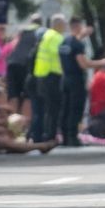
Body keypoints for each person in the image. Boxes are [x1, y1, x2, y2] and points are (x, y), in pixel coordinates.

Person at [60, 18, 105, 146]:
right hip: (76, 80)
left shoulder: (64, 42)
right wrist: (103, 62)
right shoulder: (78, 45)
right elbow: (83, 64)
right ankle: (73, 137)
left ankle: (66, 137)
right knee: (76, 109)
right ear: (78, 27)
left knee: (66, 109)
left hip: (65, 78)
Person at [29, 14, 67, 143]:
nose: (65, 26)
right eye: (64, 24)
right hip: (52, 75)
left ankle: (41, 135)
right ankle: (50, 135)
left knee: (45, 108)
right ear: (58, 25)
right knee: (53, 109)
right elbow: (59, 53)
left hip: (41, 75)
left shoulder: (46, 35)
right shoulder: (56, 37)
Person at [5, 14, 43, 115]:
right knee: (28, 96)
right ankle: (23, 124)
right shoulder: (41, 32)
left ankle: (12, 122)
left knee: (13, 94)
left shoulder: (22, 31)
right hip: (26, 64)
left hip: (12, 63)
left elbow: (12, 46)